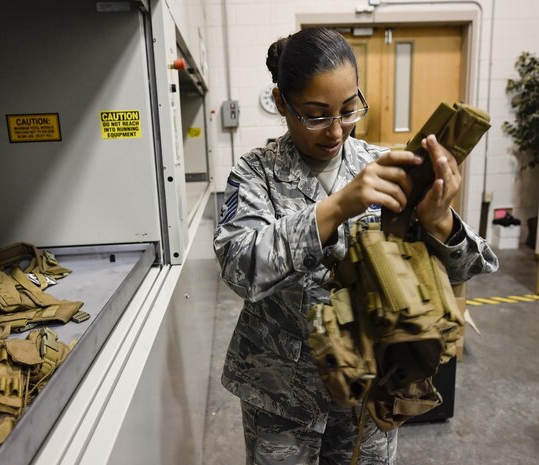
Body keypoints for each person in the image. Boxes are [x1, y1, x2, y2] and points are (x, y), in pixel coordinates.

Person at [213, 27, 498, 465]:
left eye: (349, 110)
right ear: (281, 102)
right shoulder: (255, 174)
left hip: (367, 391)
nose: (336, 130)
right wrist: (340, 205)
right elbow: (240, 268)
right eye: (316, 114)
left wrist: (439, 220)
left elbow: (465, 269)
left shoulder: (380, 165)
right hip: (282, 401)